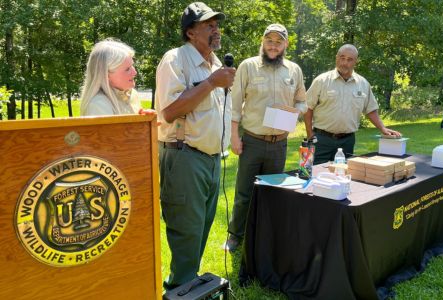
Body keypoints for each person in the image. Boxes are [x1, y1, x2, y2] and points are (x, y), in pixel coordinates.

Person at [154, 2, 235, 289]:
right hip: (184, 156)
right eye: (209, 25)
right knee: (186, 231)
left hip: (212, 159)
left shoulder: (215, 64)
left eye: (217, 24)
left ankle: (185, 285)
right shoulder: (175, 60)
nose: (216, 30)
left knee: (200, 229)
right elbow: (169, 112)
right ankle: (179, 289)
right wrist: (212, 83)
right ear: (190, 32)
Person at [224, 24, 307, 252]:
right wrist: (234, 136)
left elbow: (302, 100)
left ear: (285, 45)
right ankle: (235, 236)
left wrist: (295, 112)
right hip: (252, 140)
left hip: (279, 143)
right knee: (244, 193)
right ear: (262, 42)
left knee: (272, 194)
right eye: (269, 41)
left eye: (278, 42)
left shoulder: (294, 70)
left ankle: (265, 235)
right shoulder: (248, 66)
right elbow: (234, 104)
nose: (273, 45)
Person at [304, 44, 401, 164]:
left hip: (347, 141)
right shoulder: (322, 81)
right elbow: (308, 107)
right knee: (316, 174)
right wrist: (309, 133)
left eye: (350, 59)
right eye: (342, 57)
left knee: (343, 175)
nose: (344, 62)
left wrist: (382, 128)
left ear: (356, 62)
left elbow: (370, 109)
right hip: (322, 140)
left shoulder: (363, 84)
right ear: (336, 58)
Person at [80, 39, 145, 116]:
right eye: (127, 69)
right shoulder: (98, 104)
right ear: (106, 75)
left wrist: (149, 122)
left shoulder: (131, 95)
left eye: (132, 66)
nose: (135, 72)